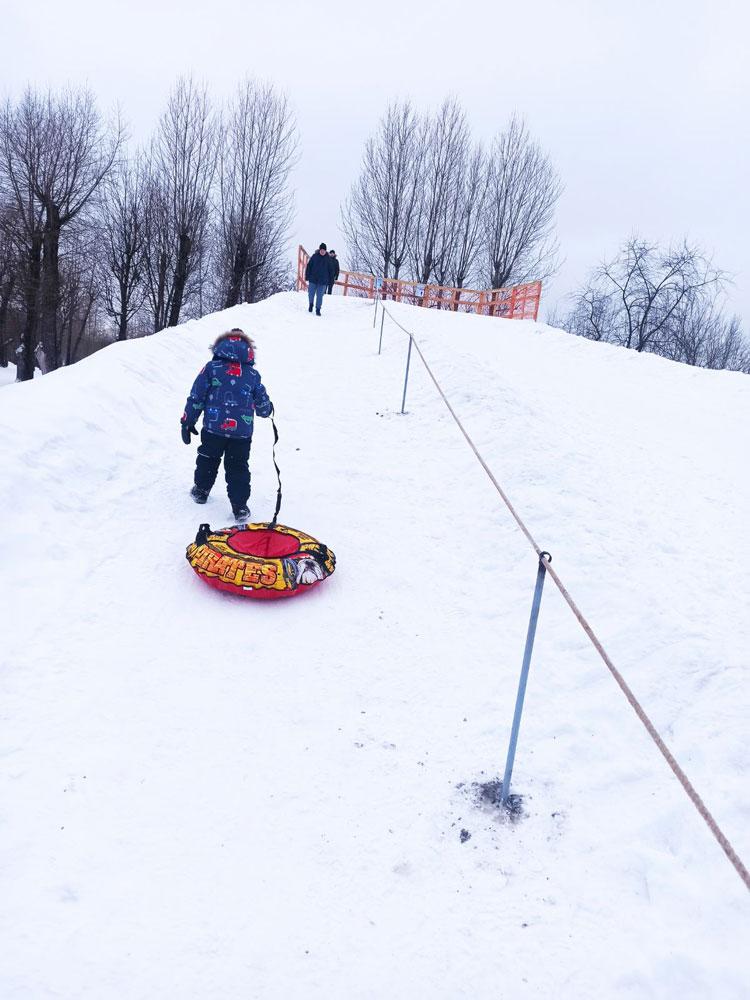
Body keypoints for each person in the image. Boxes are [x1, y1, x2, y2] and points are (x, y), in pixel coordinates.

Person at [180, 328, 272, 521]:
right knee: (238, 466)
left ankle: (201, 491)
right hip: (241, 433)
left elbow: (197, 396)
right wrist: (267, 408)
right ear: (248, 351)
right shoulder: (252, 375)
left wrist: (188, 421)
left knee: (208, 458)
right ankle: (240, 506)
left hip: (213, 429)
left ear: (220, 347)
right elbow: (263, 408)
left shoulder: (211, 368)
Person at [305, 243, 334, 315]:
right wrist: (307, 276)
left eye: (324, 250)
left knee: (320, 296)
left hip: (323, 281)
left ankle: (318, 309)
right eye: (321, 250)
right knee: (311, 294)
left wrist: (331, 281)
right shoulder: (314, 256)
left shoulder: (328, 259)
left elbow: (331, 271)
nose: (322, 251)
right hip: (313, 279)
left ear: (326, 251)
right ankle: (311, 304)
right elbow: (309, 266)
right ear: (319, 250)